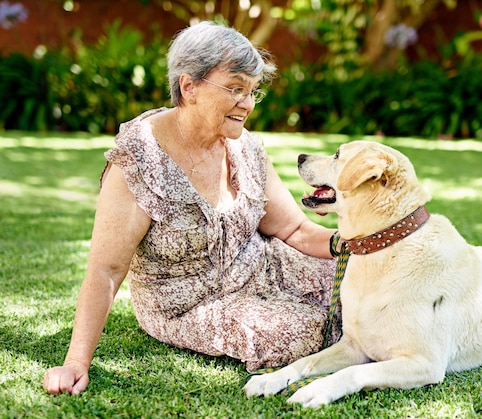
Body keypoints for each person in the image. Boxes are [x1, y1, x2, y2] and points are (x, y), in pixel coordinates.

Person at [43, 21, 340, 395]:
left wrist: (351, 242)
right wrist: (75, 362)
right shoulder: (141, 158)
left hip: (264, 267)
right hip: (189, 303)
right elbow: (105, 270)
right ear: (189, 86)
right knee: (304, 330)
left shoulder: (244, 146)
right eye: (235, 89)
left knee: (357, 287)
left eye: (252, 92)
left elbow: (294, 230)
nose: (247, 104)